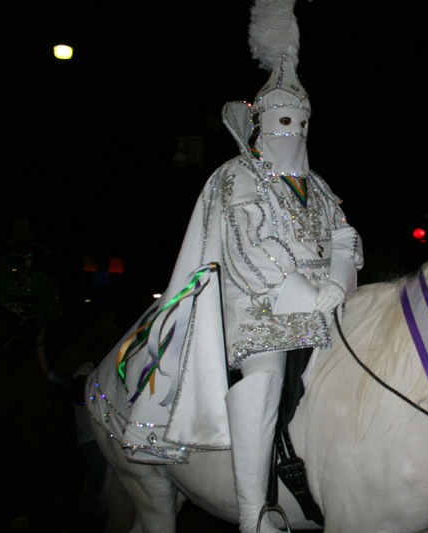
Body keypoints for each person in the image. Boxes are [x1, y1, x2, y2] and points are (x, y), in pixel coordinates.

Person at [91, 2, 363, 533]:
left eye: (304, 122)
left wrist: (336, 279)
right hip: (256, 305)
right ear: (262, 122)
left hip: (327, 301)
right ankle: (253, 512)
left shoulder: (321, 187)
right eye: (286, 121)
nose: (297, 132)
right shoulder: (238, 178)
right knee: (264, 372)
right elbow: (248, 249)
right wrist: (306, 293)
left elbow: (344, 236)